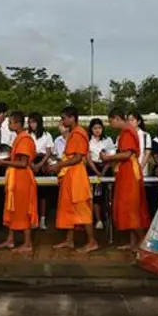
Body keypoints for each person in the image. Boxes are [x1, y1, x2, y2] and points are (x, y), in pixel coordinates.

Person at [49, 106, 97, 253]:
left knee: (82, 209)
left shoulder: (79, 134)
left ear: (72, 118)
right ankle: (69, 241)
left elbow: (77, 158)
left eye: (63, 118)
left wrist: (59, 165)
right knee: (69, 208)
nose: (62, 121)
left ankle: (92, 242)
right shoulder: (73, 133)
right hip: (70, 175)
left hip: (77, 176)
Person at [103, 109, 150, 251]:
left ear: (117, 118)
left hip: (129, 173)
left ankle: (141, 240)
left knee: (131, 207)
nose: (111, 125)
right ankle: (132, 242)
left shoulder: (128, 132)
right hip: (126, 172)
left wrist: (109, 158)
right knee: (128, 207)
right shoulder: (126, 131)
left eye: (111, 121)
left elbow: (127, 154)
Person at [0, 111, 38, 253]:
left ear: (18, 123)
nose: (8, 124)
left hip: (22, 179)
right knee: (12, 209)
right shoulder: (20, 137)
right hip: (16, 178)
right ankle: (10, 239)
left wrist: (3, 162)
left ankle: (27, 243)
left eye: (10, 122)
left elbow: (23, 163)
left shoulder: (24, 139)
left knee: (22, 210)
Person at [86, 118, 114, 230]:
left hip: (106, 168)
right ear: (91, 129)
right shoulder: (88, 140)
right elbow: (88, 158)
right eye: (95, 128)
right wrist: (97, 171)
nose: (97, 130)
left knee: (107, 195)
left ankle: (108, 218)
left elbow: (111, 157)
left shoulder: (108, 140)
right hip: (93, 168)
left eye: (99, 128)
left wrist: (103, 171)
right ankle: (98, 220)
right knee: (95, 195)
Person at [28, 112, 53, 230]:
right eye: (30, 122)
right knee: (31, 192)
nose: (32, 125)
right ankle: (33, 219)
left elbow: (48, 152)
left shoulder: (47, 135)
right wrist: (32, 164)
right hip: (30, 162)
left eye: (34, 122)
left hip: (42, 162)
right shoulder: (27, 135)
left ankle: (42, 219)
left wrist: (40, 164)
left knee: (43, 193)